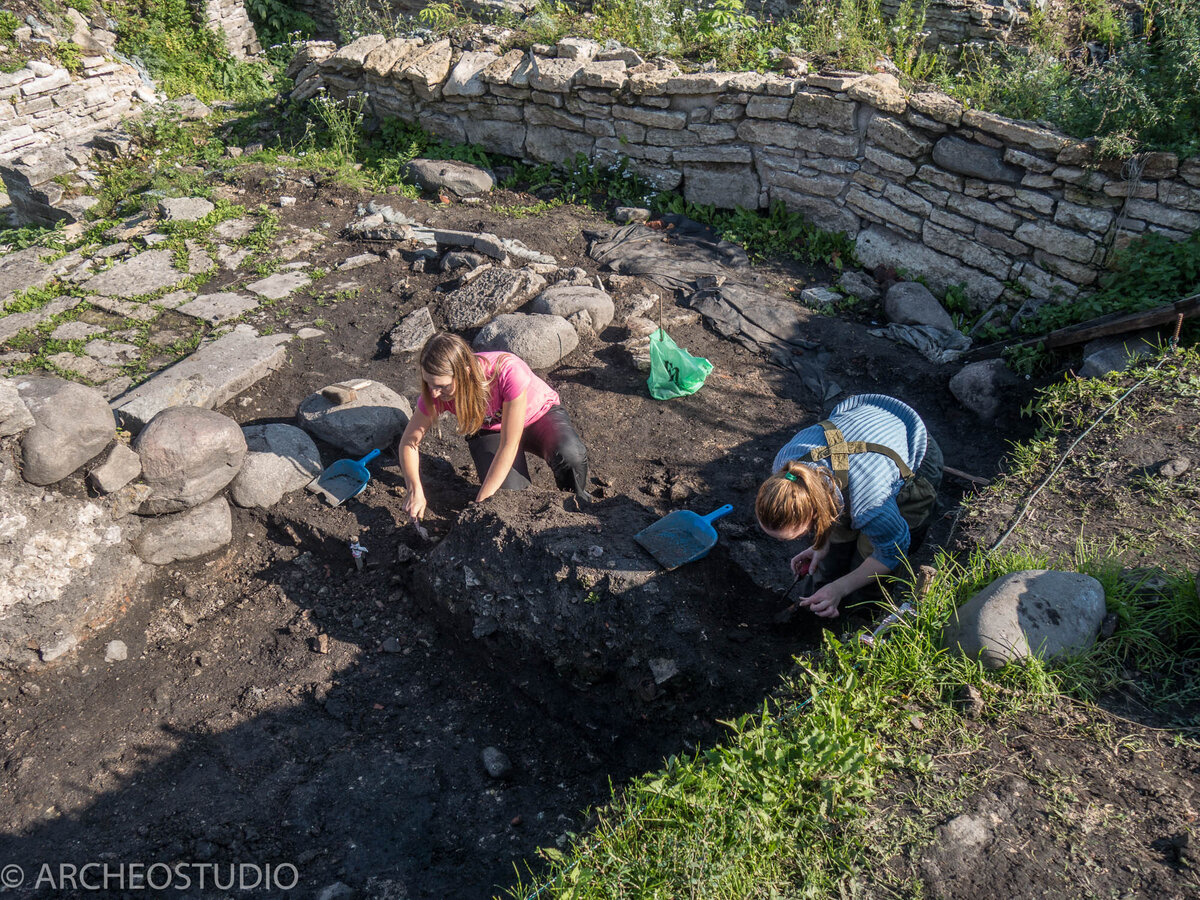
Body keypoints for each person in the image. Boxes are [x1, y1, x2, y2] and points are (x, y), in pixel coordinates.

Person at [755, 394, 943, 618]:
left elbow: (892, 552)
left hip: (908, 448)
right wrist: (820, 545)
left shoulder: (871, 504)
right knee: (836, 546)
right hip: (859, 439)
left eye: (801, 533)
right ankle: (816, 604)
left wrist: (840, 588)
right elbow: (828, 509)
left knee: (868, 559)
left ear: (815, 513)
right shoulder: (786, 468)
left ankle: (858, 617)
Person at [397, 332, 589, 523]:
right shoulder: (435, 393)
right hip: (491, 429)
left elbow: (510, 444)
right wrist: (414, 489)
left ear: (465, 372)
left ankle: (577, 508)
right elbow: (409, 442)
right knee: (510, 497)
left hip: (539, 415)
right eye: (428, 383)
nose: (434, 393)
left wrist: (479, 504)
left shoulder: (506, 371)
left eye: (442, 386)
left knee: (570, 454)